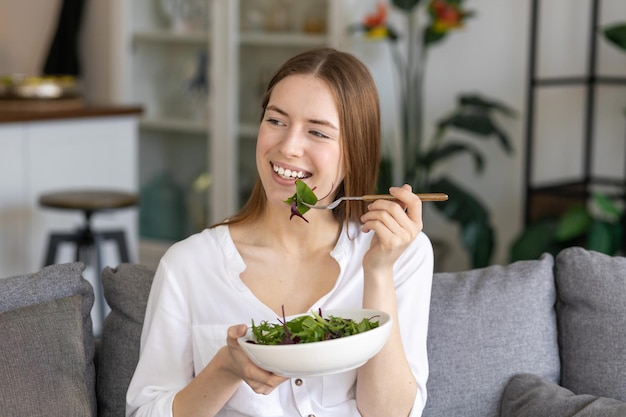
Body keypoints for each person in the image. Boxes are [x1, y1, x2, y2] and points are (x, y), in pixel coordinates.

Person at [126, 47, 433, 417]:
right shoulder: (189, 265)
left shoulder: (400, 251)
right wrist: (225, 369)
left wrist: (379, 272)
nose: (287, 147)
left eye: (317, 132)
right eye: (276, 121)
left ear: (354, 152)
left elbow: (392, 414)